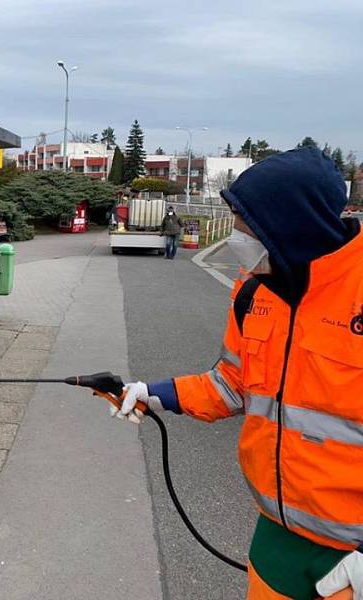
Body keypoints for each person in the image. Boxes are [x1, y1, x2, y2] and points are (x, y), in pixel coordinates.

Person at [113, 148, 361, 600]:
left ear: (291, 222)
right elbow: (233, 385)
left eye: (247, 224)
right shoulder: (254, 292)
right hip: (276, 535)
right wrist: (151, 393)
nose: (238, 237)